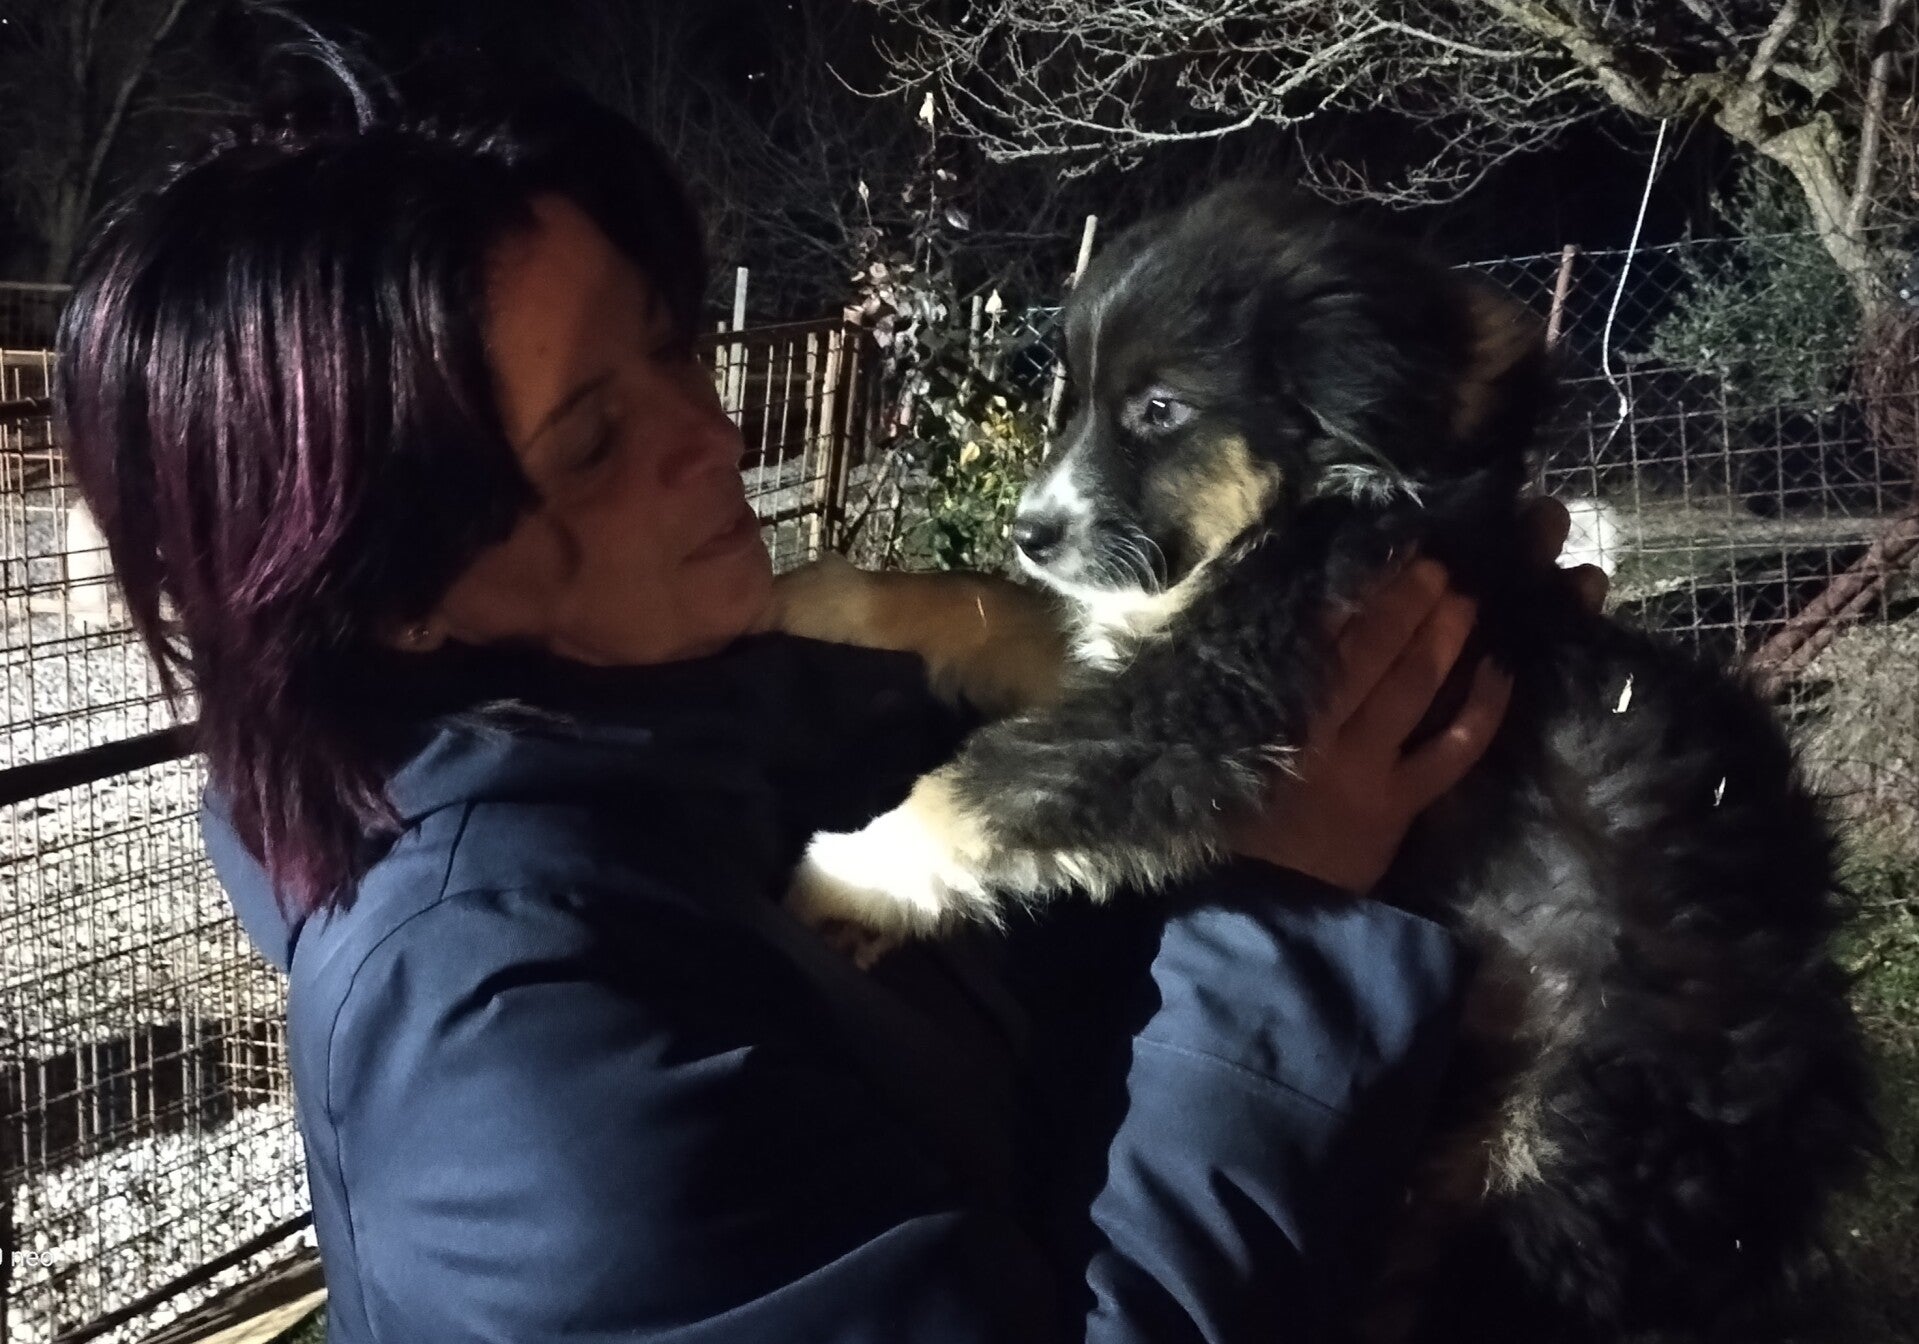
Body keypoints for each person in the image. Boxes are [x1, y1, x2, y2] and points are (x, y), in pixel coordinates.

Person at [56, 73, 1603, 1343]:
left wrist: (1368, 673)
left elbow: (1071, 962)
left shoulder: (726, 727)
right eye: (594, 443)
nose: (715, 434)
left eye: (670, 346)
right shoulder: (514, 1043)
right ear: (396, 588)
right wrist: (1294, 914)